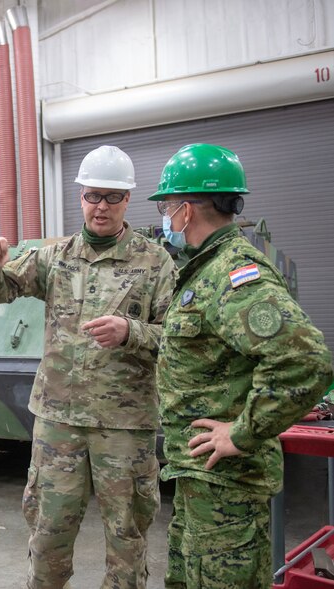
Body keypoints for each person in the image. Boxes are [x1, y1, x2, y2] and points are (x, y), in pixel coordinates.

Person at [0, 145, 177, 589]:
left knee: (128, 533)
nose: (101, 206)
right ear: (80, 197)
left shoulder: (155, 262)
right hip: (59, 419)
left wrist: (130, 331)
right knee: (48, 528)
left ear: (127, 201)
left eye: (112, 197)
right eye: (93, 196)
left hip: (124, 424)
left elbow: (177, 340)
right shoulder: (55, 257)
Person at [149, 143, 333, 588]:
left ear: (187, 211)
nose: (166, 217)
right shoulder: (202, 269)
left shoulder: (233, 273)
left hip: (227, 486)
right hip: (199, 479)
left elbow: (305, 359)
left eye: (168, 206)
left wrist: (243, 431)